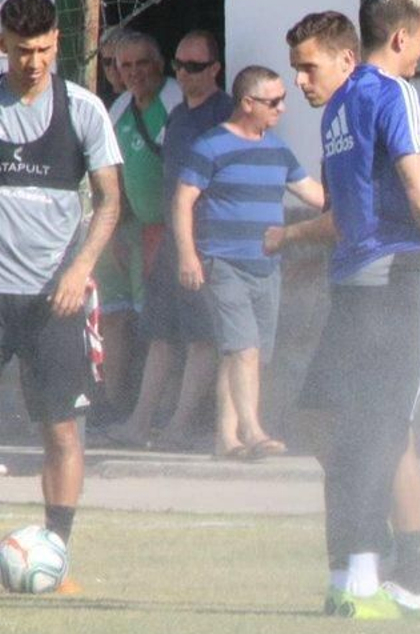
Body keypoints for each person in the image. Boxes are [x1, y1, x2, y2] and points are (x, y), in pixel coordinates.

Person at [274, 0, 420, 621]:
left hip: (400, 280)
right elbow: (344, 215)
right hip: (353, 289)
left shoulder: (388, 92)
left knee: (381, 428)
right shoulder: (341, 110)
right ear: (400, 38)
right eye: (296, 68)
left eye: (307, 68)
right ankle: (365, 566)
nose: (299, 81)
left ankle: (382, 575)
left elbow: (418, 190)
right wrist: (294, 241)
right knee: (326, 419)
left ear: (350, 56)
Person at [0, 0, 123, 587]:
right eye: (23, 50)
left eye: (45, 49)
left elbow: (109, 204)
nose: (34, 61)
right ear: (3, 43)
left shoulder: (83, 110)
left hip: (56, 300)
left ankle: (56, 553)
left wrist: (80, 270)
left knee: (61, 430)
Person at [173, 65, 323, 460]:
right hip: (223, 263)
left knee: (238, 351)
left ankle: (226, 438)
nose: (282, 109)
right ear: (247, 103)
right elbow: (183, 200)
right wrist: (188, 254)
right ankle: (253, 430)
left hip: (267, 266)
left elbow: (314, 194)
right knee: (245, 348)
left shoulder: (277, 149)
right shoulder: (210, 145)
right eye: (274, 102)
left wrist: (364, 204)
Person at [107, 29, 232, 451]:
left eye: (194, 66)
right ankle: (140, 423)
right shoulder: (157, 111)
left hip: (202, 240)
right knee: (158, 332)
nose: (185, 72)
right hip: (161, 239)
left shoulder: (217, 111)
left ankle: (179, 426)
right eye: (181, 64)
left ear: (215, 69)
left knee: (201, 334)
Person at [98, 31, 181, 426]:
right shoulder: (118, 110)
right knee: (124, 317)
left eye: (141, 63)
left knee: (161, 324)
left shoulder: (174, 100)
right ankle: (116, 405)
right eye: (124, 65)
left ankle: (159, 413)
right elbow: (110, 172)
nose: (133, 73)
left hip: (169, 233)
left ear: (159, 64)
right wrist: (113, 228)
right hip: (134, 230)